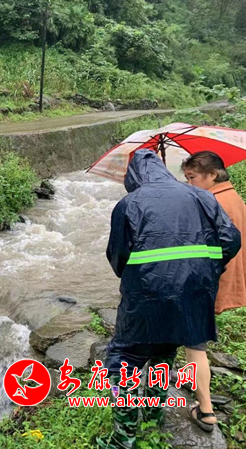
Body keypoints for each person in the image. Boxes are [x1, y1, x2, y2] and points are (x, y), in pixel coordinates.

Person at [97, 150, 241, 449]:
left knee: (125, 359)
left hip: (145, 296)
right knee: (164, 353)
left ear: (134, 177)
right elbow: (231, 240)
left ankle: (124, 438)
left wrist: (139, 276)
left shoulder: (129, 203)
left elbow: (117, 256)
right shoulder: (201, 196)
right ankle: (153, 415)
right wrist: (205, 270)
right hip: (192, 295)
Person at [182, 151, 246, 431]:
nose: (190, 183)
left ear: (213, 175)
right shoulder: (233, 196)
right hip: (228, 279)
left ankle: (205, 410)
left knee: (195, 344)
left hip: (209, 283)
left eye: (192, 177)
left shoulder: (211, 202)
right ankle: (192, 379)